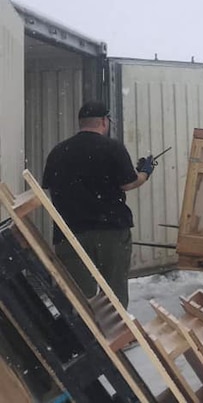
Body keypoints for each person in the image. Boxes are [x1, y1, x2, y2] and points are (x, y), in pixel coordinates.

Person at [41, 101, 155, 308]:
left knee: (79, 299)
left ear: (80, 123)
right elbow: (128, 183)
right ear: (104, 121)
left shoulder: (58, 152)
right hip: (110, 232)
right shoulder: (112, 148)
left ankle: (82, 335)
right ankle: (114, 336)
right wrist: (145, 172)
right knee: (113, 295)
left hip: (70, 234)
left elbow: (49, 186)